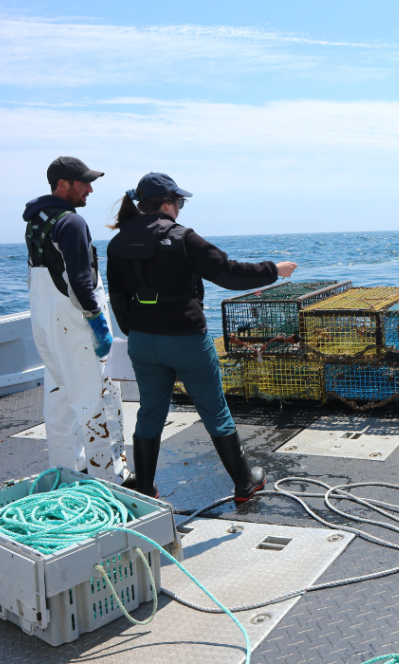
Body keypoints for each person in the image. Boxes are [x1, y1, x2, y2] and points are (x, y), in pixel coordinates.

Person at [106, 172, 297, 502]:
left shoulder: (118, 242)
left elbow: (119, 298)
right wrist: (274, 270)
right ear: (167, 204)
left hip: (143, 341)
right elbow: (228, 273)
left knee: (150, 410)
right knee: (214, 409)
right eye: (179, 202)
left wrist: (136, 331)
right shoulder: (182, 238)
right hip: (186, 339)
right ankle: (244, 482)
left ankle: (145, 487)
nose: (180, 207)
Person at [22, 157, 130, 483]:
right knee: (92, 403)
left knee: (57, 405)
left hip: (46, 325)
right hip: (75, 328)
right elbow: (81, 282)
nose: (90, 189)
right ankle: (108, 481)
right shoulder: (72, 223)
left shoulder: (37, 220)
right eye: (84, 183)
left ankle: (63, 477)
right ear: (62, 185)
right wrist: (98, 323)